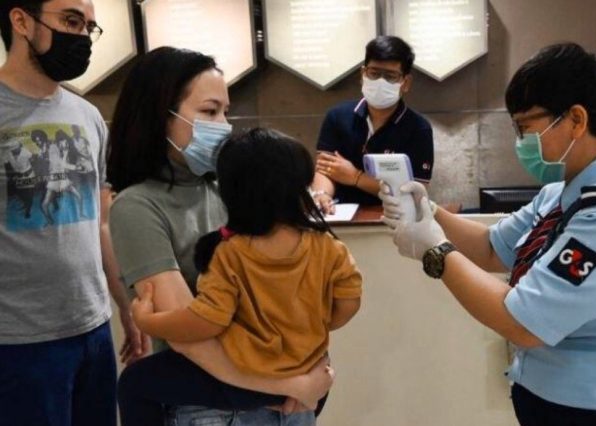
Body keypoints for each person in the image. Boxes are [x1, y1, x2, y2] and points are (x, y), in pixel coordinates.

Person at [380, 43, 596, 425]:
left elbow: (524, 323)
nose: (520, 141)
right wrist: (430, 212)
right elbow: (493, 249)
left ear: (576, 120)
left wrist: (436, 252)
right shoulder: (564, 192)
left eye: (526, 126)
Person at [107, 47, 336, 425]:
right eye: (210, 111)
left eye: (226, 112)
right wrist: (290, 383)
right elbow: (188, 333)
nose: (224, 126)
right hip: (218, 407)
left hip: (287, 398)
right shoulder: (137, 206)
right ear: (160, 115)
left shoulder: (226, 187)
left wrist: (315, 367)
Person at [122, 128, 363, 425]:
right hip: (308, 368)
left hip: (244, 378)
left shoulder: (230, 254)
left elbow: (207, 321)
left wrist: (147, 321)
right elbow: (348, 303)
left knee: (134, 382)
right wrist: (310, 323)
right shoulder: (329, 247)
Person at [0, 1, 145, 425]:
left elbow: (101, 223)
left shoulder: (88, 116)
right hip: (17, 342)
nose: (81, 37)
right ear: (21, 21)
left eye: (88, 27)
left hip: (91, 328)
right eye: (71, 21)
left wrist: (125, 304)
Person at [310, 35, 434, 214]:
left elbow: (415, 191)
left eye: (390, 76)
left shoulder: (418, 128)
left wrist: (356, 177)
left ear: (405, 83)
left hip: (394, 218)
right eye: (374, 73)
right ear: (363, 74)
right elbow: (325, 168)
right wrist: (322, 194)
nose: (380, 82)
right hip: (340, 215)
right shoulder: (337, 117)